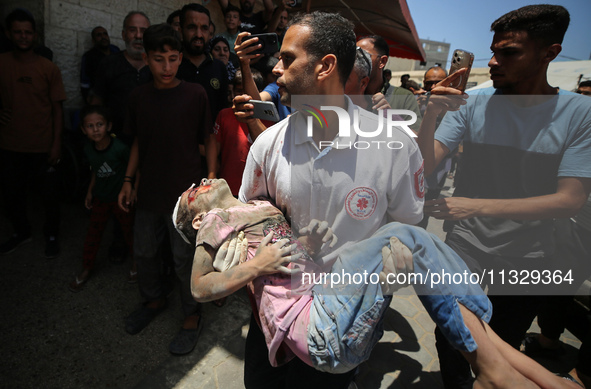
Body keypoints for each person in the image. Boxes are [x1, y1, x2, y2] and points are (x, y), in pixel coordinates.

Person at [236, 11, 579, 389]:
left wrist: (383, 272)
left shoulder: (394, 146)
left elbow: (408, 227)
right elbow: (248, 226)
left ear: (326, 66)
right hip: (275, 314)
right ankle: (492, 358)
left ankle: (495, 361)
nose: (275, 71)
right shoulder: (268, 145)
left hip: (348, 317)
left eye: (287, 59)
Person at [176, 178, 581, 388]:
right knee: (401, 235)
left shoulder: (260, 207)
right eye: (191, 194)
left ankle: (493, 354)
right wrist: (252, 267)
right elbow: (198, 288)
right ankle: (486, 352)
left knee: (403, 247)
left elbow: (286, 262)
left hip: (342, 329)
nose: (199, 184)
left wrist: (306, 244)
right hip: (315, 330)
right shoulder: (215, 223)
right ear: (196, 219)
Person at [416, 5, 591, 389]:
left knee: (506, 340)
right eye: (492, 51)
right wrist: (431, 115)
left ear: (550, 53)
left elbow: (570, 200)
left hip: (532, 253)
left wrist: (472, 205)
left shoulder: (580, 113)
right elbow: (426, 167)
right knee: (452, 338)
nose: (494, 62)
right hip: (466, 246)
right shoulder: (473, 103)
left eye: (509, 52)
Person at [117, 23, 214, 355]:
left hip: (185, 198)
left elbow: (209, 139)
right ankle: (154, 300)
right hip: (149, 193)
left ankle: (191, 315)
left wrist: (211, 179)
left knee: (184, 258)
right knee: (144, 251)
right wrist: (129, 181)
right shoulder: (139, 97)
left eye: (174, 59)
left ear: (181, 58)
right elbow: (138, 144)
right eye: (159, 59)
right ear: (146, 58)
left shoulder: (195, 94)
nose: (168, 67)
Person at [0, 9, 66, 258]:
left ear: (35, 35)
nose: (23, 36)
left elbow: (57, 109)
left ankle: (51, 234)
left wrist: (56, 143)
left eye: (28, 32)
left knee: (50, 196)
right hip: (9, 144)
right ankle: (21, 232)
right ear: (9, 33)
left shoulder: (48, 68)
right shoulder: (2, 62)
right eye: (18, 32)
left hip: (43, 144)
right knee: (12, 195)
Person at [69, 106, 135, 292]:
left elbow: (134, 168)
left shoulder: (120, 148)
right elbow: (95, 172)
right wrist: (90, 192)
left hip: (120, 199)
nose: (95, 129)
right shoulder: (89, 149)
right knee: (93, 235)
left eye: (99, 124)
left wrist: (131, 189)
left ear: (109, 126)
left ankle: (137, 265)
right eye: (90, 126)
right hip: (101, 198)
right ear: (83, 129)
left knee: (130, 233)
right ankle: (87, 267)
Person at [90, 11, 151, 141]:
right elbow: (97, 103)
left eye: (143, 31)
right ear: (124, 35)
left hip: (149, 140)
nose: (139, 36)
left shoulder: (157, 66)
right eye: (132, 30)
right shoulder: (109, 63)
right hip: (115, 141)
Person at [213, 69, 271, 196]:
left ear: (259, 94)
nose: (245, 97)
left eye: (250, 93)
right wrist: (212, 174)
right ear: (232, 91)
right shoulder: (224, 115)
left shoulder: (270, 119)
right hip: (229, 189)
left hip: (259, 191)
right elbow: (214, 149)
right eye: (240, 91)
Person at [356, 36, 422, 133]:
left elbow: (416, 139)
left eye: (362, 56)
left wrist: (392, 117)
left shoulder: (404, 97)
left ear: (382, 61)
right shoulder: (347, 90)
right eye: (354, 56)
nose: (356, 62)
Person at [177, 3, 229, 126]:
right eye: (192, 27)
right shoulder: (171, 66)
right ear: (180, 30)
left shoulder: (219, 68)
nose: (199, 35)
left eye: (204, 28)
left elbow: (221, 113)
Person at [80, 26, 120, 103]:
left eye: (105, 34)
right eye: (99, 35)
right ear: (93, 40)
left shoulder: (116, 51)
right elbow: (85, 82)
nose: (103, 37)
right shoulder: (89, 57)